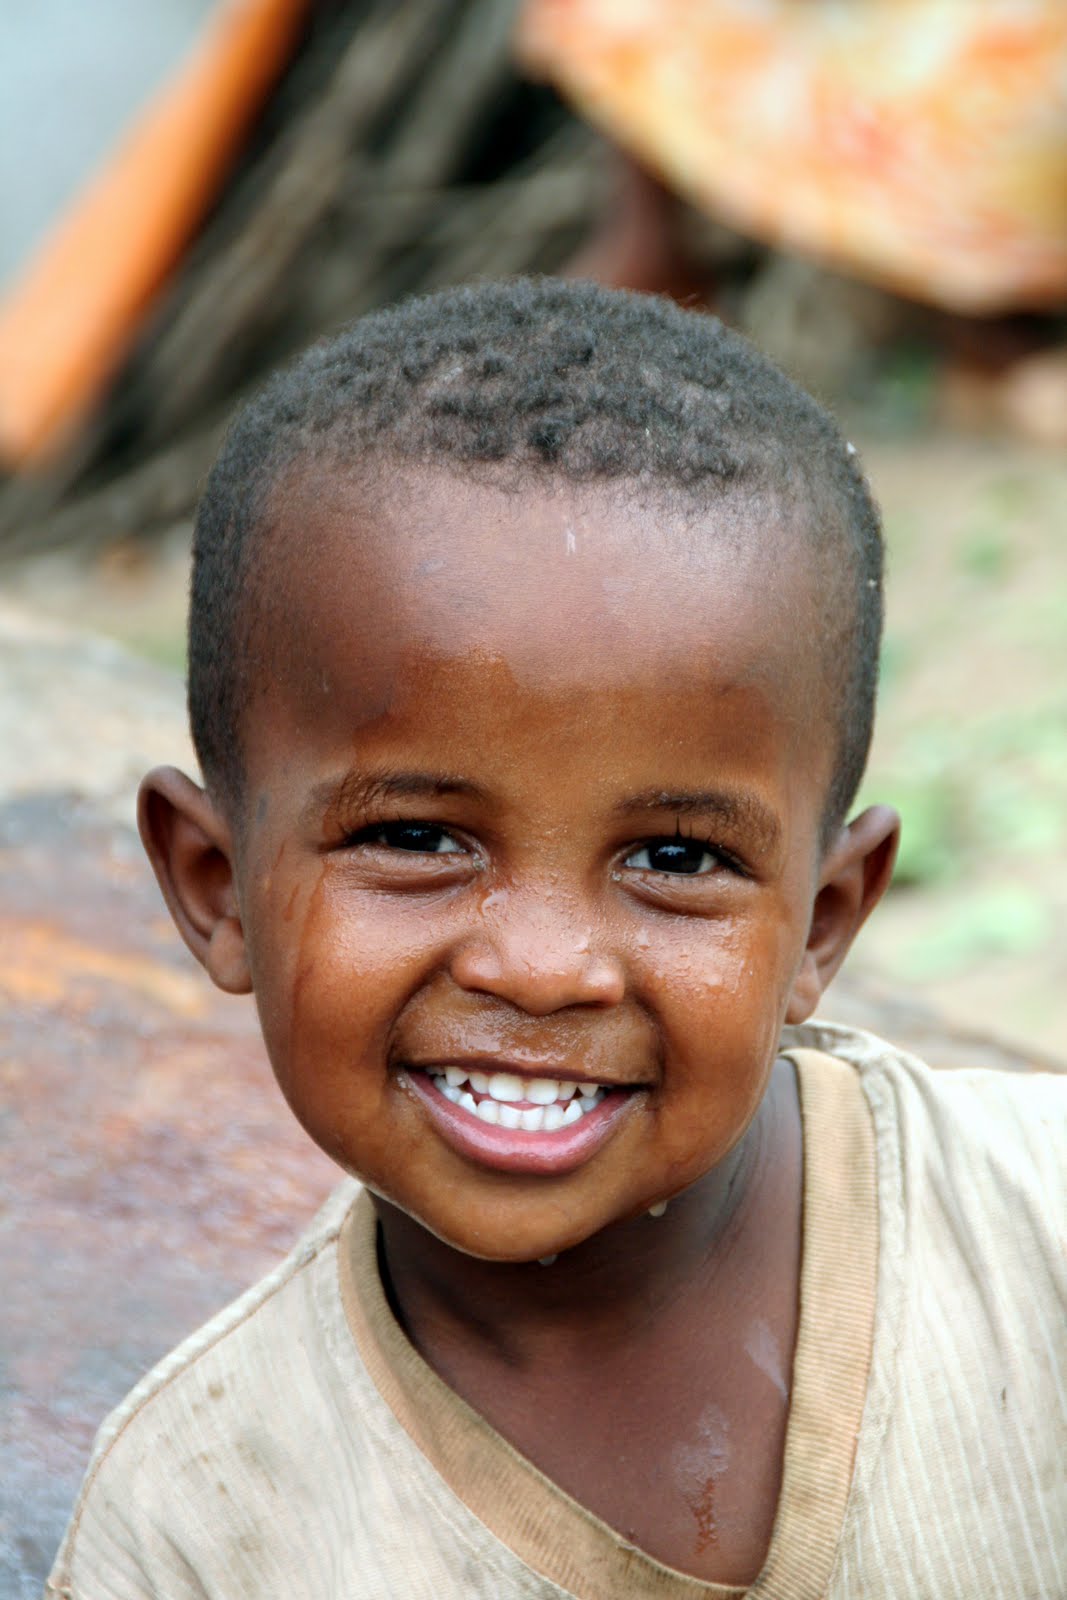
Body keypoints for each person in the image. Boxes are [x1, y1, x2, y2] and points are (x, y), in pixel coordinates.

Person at [47, 278, 1064, 1599]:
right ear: (214, 884)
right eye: (416, 838)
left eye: (677, 859)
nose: (539, 966)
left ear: (823, 923)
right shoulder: (203, 1526)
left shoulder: (1036, 1239)